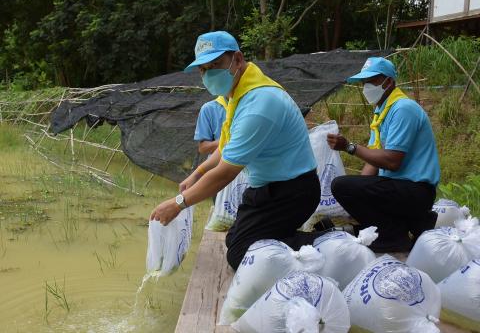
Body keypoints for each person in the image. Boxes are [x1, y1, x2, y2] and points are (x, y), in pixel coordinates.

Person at [150, 31, 320, 270]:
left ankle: (328, 243)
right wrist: (196, 174)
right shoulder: (238, 96)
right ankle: (287, 239)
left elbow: (225, 173)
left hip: (292, 192)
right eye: (203, 69)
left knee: (241, 253)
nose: (209, 74)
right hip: (267, 188)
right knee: (234, 239)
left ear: (237, 60)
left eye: (216, 64)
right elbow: (225, 147)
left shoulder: (260, 104)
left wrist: (178, 203)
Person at [327, 57, 440, 252]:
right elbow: (374, 158)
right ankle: (408, 224)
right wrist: (358, 191)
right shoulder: (382, 112)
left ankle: (392, 236)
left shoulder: (403, 109)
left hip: (415, 190)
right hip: (398, 189)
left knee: (342, 185)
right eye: (364, 83)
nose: (366, 87)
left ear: (388, 81)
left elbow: (392, 161)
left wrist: (350, 147)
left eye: (371, 81)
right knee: (346, 187)